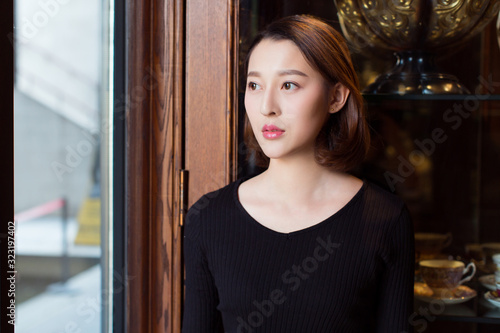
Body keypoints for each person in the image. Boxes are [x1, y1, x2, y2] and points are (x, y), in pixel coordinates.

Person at [182, 14, 414, 333]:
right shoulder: (207, 219)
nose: (267, 106)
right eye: (254, 85)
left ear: (335, 97)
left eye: (289, 85)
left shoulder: (385, 220)